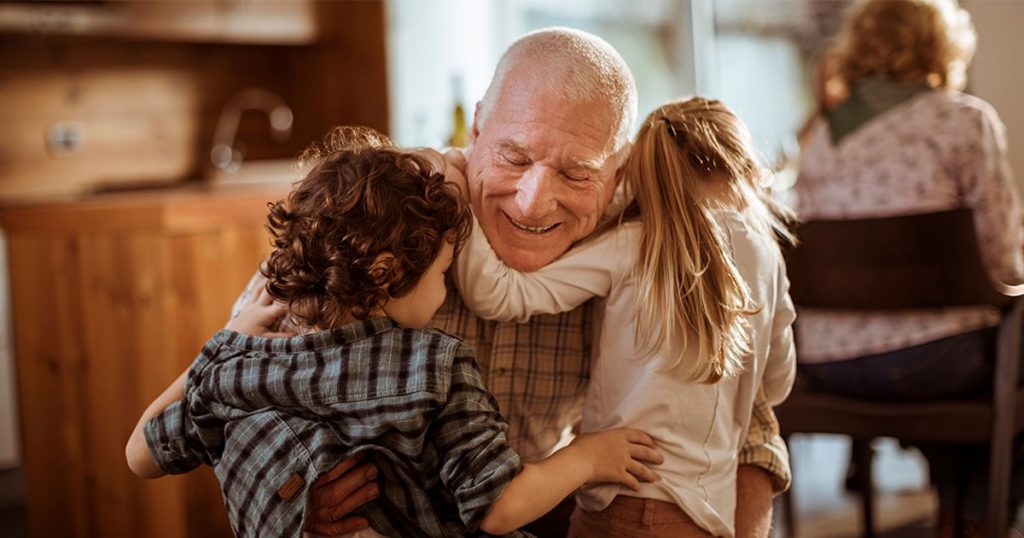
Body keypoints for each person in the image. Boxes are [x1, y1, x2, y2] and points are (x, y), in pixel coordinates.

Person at [235, 28, 792, 537]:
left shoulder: (645, 242)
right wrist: (292, 493)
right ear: (477, 129)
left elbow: (751, 423)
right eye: (513, 157)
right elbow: (234, 391)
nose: (532, 202)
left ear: (618, 174)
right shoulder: (381, 211)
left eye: (577, 173)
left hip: (539, 509)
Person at [124, 127, 663, 538]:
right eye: (442, 273)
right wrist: (589, 456)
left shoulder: (243, 360)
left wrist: (225, 344)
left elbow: (140, 456)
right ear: (386, 273)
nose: (446, 290)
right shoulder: (435, 367)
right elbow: (498, 506)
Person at [453, 97, 797, 537]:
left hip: (616, 497)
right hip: (704, 511)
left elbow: (496, 294)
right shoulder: (768, 257)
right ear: (743, 166)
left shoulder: (634, 242)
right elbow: (776, 385)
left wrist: (457, 192)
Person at [793, 0, 1024, 535]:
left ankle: (955, 514)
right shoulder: (964, 119)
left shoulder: (821, 139)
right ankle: (975, 521)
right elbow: (1004, 262)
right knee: (1008, 363)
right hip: (931, 361)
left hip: (828, 362)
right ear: (942, 46)